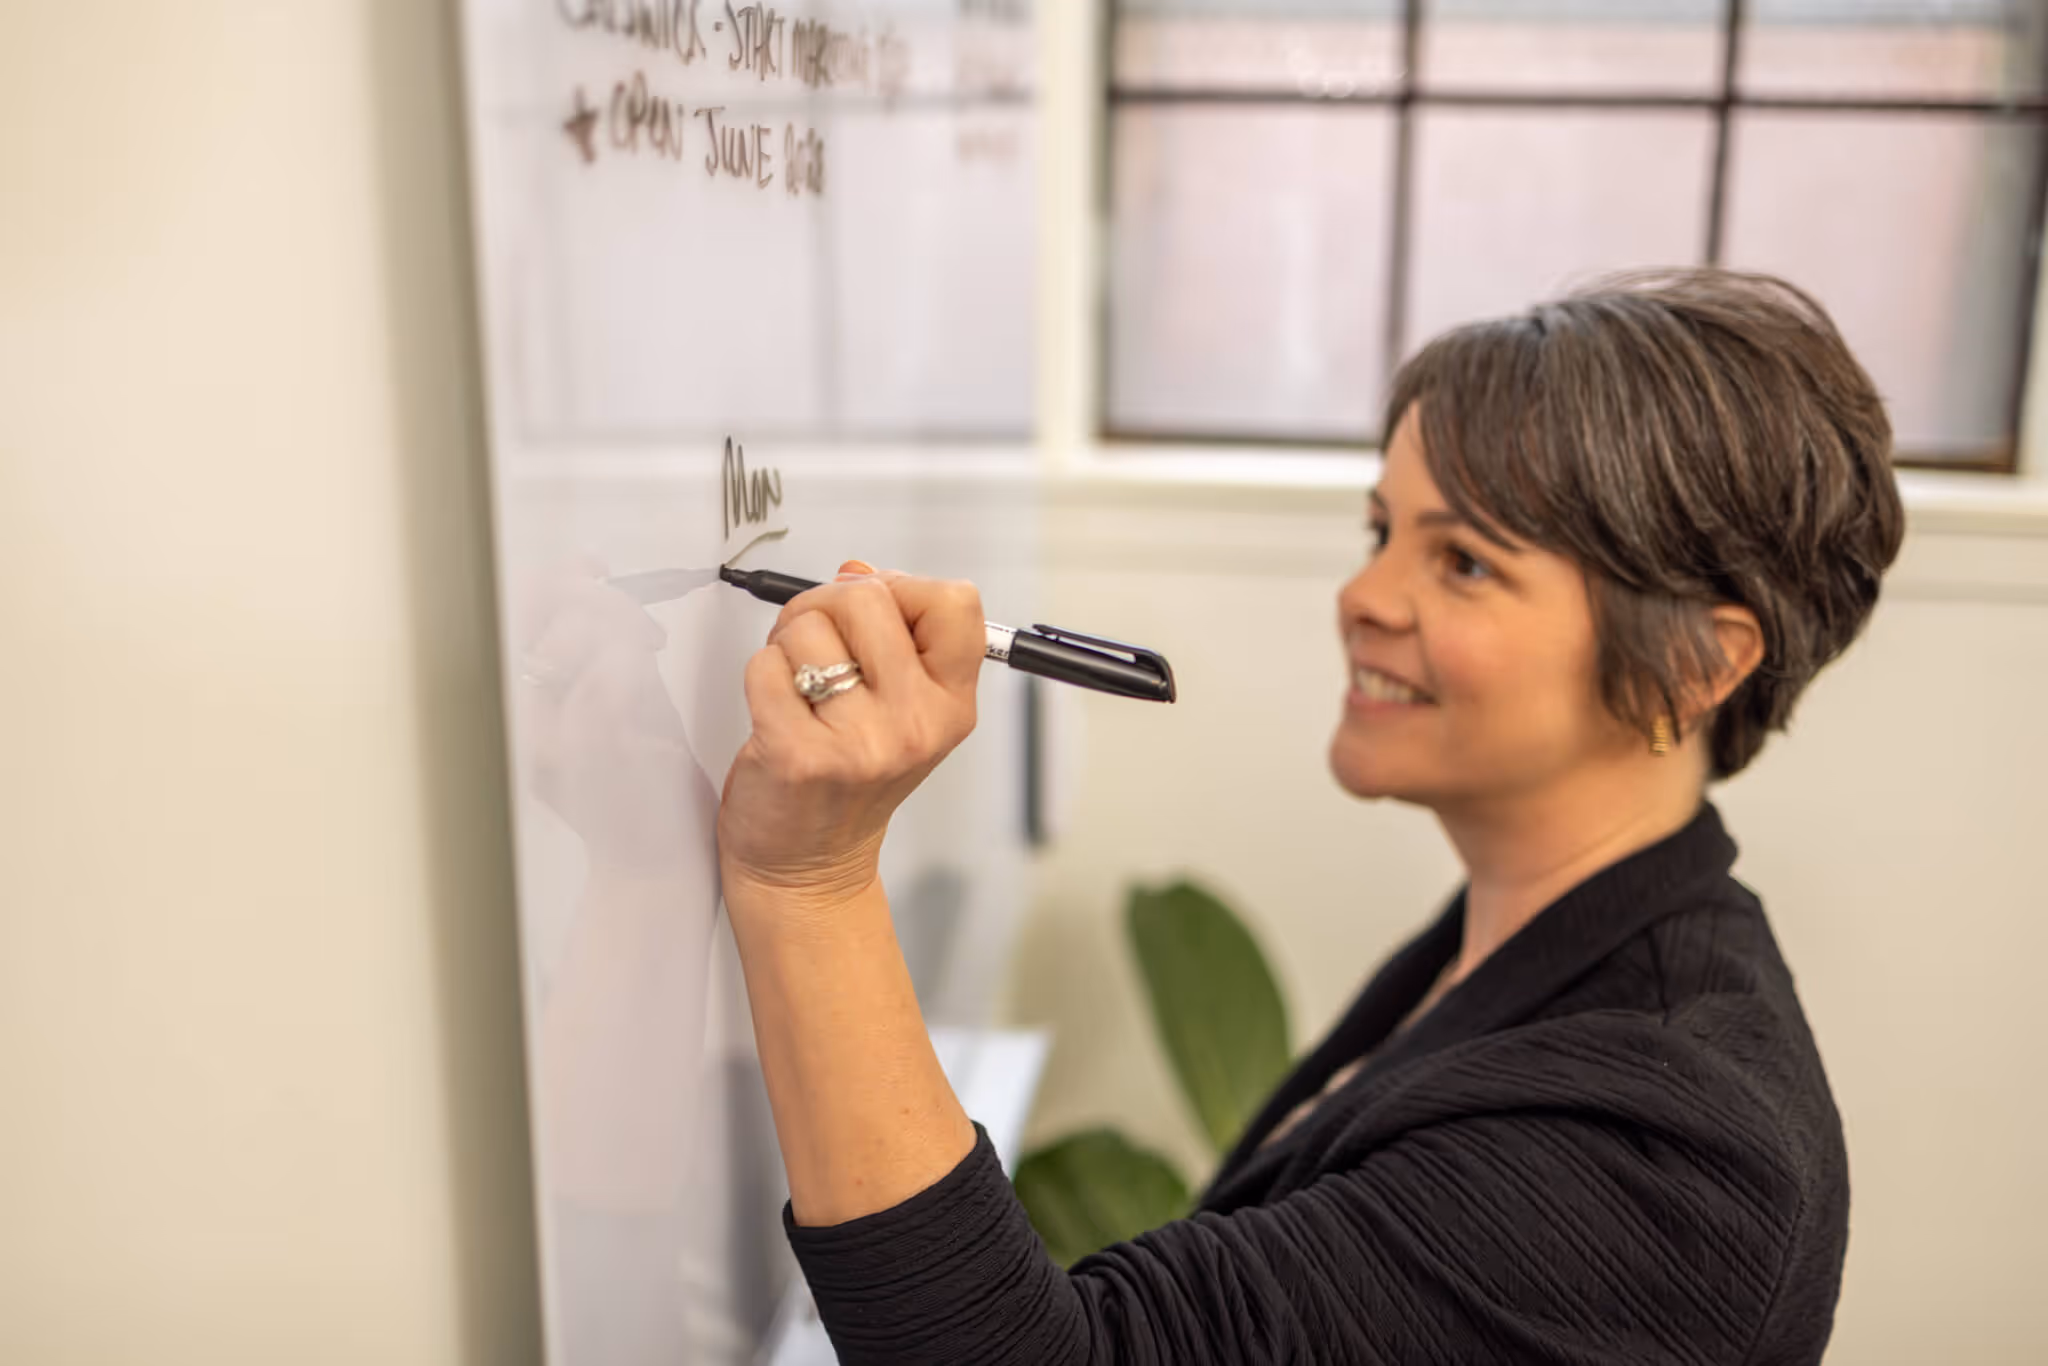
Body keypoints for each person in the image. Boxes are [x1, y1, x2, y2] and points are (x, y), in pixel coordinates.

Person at [714, 269, 1905, 1364]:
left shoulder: (1665, 1157)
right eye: (1383, 532)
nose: (1362, 596)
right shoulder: (1521, 941)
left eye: (1466, 564)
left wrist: (807, 880)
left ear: (1697, 661)